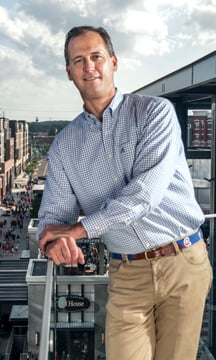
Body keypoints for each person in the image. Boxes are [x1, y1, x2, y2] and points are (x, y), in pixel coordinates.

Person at [37, 26, 212, 360]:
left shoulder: (155, 113)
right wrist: (55, 240)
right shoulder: (64, 145)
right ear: (69, 73)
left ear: (113, 62)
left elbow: (144, 196)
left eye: (96, 56)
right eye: (78, 60)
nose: (89, 66)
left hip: (183, 263)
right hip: (127, 273)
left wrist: (77, 230)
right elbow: (54, 218)